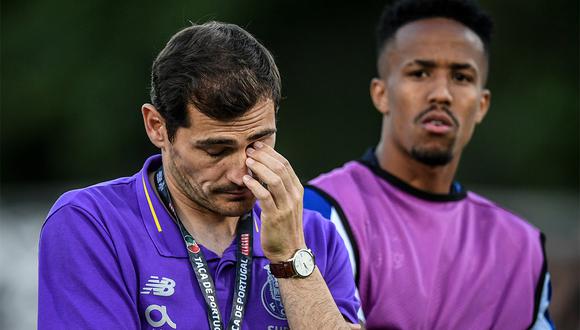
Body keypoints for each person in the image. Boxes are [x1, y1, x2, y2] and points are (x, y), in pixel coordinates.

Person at [38, 22, 359, 329]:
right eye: (216, 150)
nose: (240, 173)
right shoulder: (92, 224)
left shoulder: (313, 236)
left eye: (258, 143)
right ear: (157, 127)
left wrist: (291, 259)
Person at [303, 0, 554, 329]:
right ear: (381, 94)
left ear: (482, 104)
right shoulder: (320, 211)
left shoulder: (523, 250)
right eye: (419, 73)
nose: (441, 93)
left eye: (461, 77)